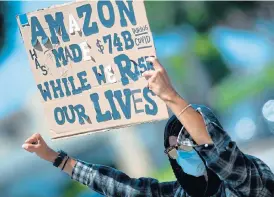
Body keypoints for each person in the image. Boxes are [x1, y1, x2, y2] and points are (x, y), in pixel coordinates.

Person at [22, 58, 274, 197]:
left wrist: (171, 97)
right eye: (174, 151)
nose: (181, 154)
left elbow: (219, 152)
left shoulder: (248, 179)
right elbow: (123, 188)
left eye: (187, 145)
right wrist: (56, 158)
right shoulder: (178, 194)